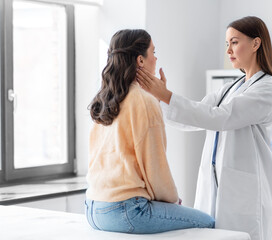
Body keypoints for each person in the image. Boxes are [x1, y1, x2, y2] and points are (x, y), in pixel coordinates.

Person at [136, 16, 272, 240]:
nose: (228, 50)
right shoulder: (231, 87)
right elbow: (196, 116)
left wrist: (165, 95)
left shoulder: (267, 88)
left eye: (234, 42)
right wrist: (160, 100)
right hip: (214, 186)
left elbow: (221, 117)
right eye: (227, 44)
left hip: (245, 193)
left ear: (256, 43)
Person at [85, 29, 215, 234]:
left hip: (93, 208)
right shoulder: (143, 101)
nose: (156, 58)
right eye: (153, 52)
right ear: (141, 61)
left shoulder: (105, 98)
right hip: (126, 210)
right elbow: (156, 166)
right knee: (208, 223)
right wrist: (173, 201)